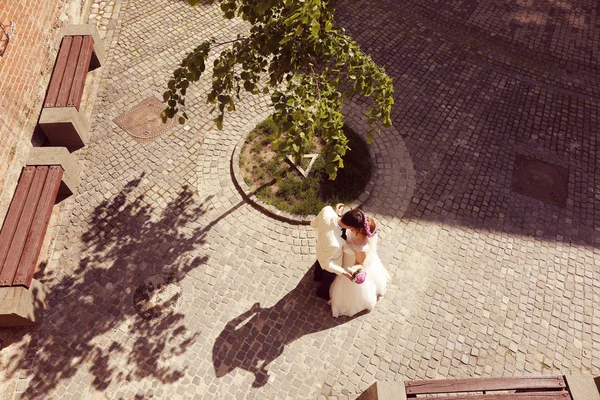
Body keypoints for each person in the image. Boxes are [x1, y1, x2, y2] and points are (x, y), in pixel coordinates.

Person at [329, 210, 390, 317]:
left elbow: (359, 263)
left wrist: (352, 270)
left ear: (359, 232)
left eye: (354, 228)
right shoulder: (355, 229)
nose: (350, 228)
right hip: (344, 257)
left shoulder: (362, 248)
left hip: (350, 264)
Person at [310, 203, 356, 300]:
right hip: (332, 259)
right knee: (328, 277)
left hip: (321, 249)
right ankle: (321, 292)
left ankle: (317, 276)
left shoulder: (327, 210)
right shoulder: (336, 243)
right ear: (351, 227)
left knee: (319, 262)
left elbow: (313, 224)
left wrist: (335, 214)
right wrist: (344, 272)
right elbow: (326, 263)